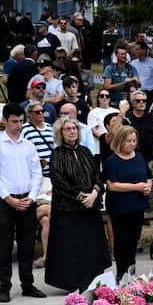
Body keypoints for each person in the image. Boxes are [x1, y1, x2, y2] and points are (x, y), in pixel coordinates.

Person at [0, 103, 45, 302]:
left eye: (21, 121)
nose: (18, 125)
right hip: (6, 201)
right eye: (14, 121)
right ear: (5, 120)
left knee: (27, 243)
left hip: (27, 200)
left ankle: (27, 284)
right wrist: (8, 198)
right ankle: (4, 286)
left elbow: (37, 173)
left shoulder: (28, 145)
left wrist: (33, 196)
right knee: (6, 244)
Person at [46, 115, 110, 292]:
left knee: (91, 244)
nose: (72, 131)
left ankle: (94, 279)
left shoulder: (85, 151)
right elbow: (59, 181)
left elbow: (97, 176)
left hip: (90, 207)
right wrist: (82, 197)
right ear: (61, 132)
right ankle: (73, 282)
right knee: (72, 246)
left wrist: (94, 193)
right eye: (67, 129)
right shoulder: (57, 154)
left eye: (74, 128)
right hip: (69, 209)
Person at [103, 125, 152, 280]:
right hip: (120, 206)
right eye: (128, 141)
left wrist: (148, 186)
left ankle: (131, 271)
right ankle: (121, 272)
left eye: (134, 141)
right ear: (120, 142)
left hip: (137, 205)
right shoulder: (112, 160)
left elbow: (148, 176)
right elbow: (112, 185)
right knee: (122, 240)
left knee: (133, 239)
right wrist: (136, 187)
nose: (132, 144)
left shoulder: (139, 157)